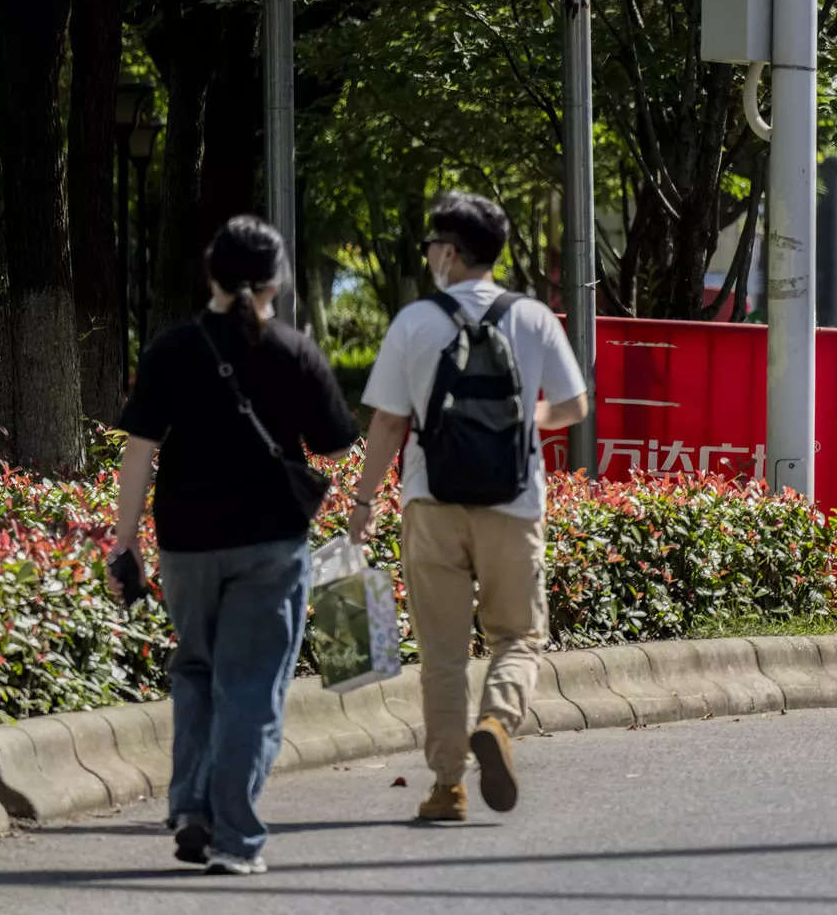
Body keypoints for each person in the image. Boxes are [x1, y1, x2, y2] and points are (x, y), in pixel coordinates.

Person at [108, 215, 360, 875]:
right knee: (249, 686)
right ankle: (235, 838)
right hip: (271, 544)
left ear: (210, 274)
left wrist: (123, 544)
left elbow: (139, 452)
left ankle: (191, 807)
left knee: (195, 669)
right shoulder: (294, 350)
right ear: (276, 280)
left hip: (186, 544)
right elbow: (337, 444)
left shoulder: (171, 348)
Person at [348, 191, 589, 821]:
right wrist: (520, 421)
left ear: (451, 252)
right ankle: (499, 723)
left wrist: (364, 499)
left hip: (431, 503)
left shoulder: (415, 322)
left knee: (443, 653)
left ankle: (448, 786)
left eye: (433, 245)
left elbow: (388, 424)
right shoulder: (534, 317)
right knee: (518, 636)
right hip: (514, 503)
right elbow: (573, 407)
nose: (429, 254)